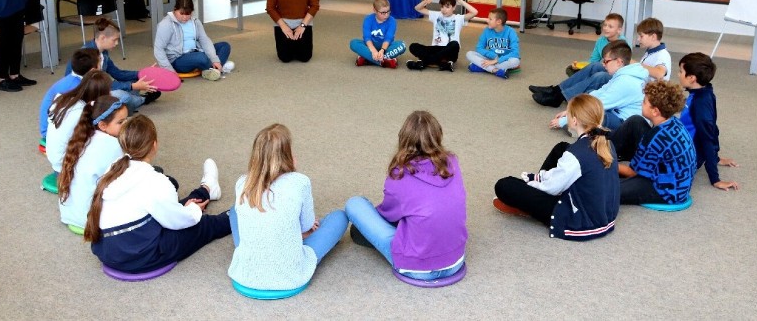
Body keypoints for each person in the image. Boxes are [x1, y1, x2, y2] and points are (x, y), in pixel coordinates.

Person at [84, 115, 228, 273]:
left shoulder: (114, 168)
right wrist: (193, 210)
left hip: (106, 251)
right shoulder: (156, 181)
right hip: (139, 256)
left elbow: (165, 211)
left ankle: (207, 189)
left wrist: (187, 208)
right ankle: (238, 213)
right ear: (154, 144)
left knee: (174, 208)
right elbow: (177, 221)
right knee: (204, 225)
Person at [345, 110, 467, 281]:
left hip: (416, 268)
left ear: (403, 138)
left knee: (355, 204)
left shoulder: (399, 174)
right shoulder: (452, 162)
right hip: (456, 259)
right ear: (438, 135)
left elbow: (388, 214)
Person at [228, 124, 348, 291]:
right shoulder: (300, 182)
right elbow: (308, 226)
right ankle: (286, 236)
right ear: (287, 156)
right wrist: (300, 232)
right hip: (290, 276)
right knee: (339, 217)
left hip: (245, 275)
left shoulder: (242, 182)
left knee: (234, 211)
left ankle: (267, 240)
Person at [493, 94, 619, 240]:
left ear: (574, 120)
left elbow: (552, 188)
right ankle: (535, 196)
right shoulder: (606, 142)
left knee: (504, 185)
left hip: (580, 221)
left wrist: (533, 183)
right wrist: (542, 177)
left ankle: (530, 206)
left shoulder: (576, 155)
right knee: (562, 147)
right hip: (604, 214)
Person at [533, 17, 669, 107]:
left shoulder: (662, 55)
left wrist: (634, 63)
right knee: (596, 65)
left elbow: (660, 73)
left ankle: (560, 96)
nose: (638, 39)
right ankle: (556, 90)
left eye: (641, 36)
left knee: (601, 76)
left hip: (642, 91)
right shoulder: (651, 51)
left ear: (653, 36)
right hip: (636, 83)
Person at [618, 81, 696, 205]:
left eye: (644, 102)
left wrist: (608, 163)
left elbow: (633, 173)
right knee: (636, 121)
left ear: (655, 111)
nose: (641, 103)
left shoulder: (654, 138)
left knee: (608, 187)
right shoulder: (675, 122)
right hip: (676, 180)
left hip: (667, 192)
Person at [57, 95, 126, 229]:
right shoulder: (113, 145)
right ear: (102, 125)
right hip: (93, 220)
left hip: (70, 215)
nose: (125, 125)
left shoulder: (82, 138)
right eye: (120, 122)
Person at [549, 41, 647, 132]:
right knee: (591, 94)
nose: (603, 65)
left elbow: (598, 105)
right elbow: (601, 92)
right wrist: (570, 110)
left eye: (606, 61)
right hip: (618, 112)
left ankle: (577, 126)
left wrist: (566, 119)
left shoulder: (625, 82)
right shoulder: (623, 74)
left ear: (618, 62)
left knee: (593, 112)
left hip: (625, 125)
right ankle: (578, 122)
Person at [65, 18, 159, 112]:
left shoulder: (103, 52)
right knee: (124, 96)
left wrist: (142, 73)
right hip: (87, 95)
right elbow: (102, 86)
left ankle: (129, 101)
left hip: (100, 88)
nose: (117, 43)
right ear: (102, 38)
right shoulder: (87, 57)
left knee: (135, 79)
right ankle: (142, 100)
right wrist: (132, 86)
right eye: (114, 40)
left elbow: (117, 73)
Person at [678, 53, 739, 191]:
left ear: (692, 78)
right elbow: (712, 128)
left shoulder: (701, 104)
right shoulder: (703, 92)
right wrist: (717, 158)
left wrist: (715, 179)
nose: (678, 74)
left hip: (686, 157)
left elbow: (708, 137)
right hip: (684, 145)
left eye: (681, 71)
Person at [46, 70, 113, 174]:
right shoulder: (81, 112)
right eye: (109, 91)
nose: (110, 93)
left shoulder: (64, 99)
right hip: (66, 169)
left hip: (56, 162)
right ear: (100, 94)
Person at [154, 0, 233, 81]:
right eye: (181, 13)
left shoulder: (195, 22)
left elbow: (204, 40)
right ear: (175, 9)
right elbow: (158, 49)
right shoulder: (165, 24)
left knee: (224, 46)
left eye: (188, 14)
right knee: (201, 58)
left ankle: (213, 68)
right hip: (178, 59)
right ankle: (216, 67)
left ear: (192, 12)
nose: (185, 17)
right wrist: (169, 70)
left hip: (196, 51)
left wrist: (215, 59)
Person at [406, 0, 478, 72]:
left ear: (454, 7)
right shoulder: (437, 15)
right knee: (413, 46)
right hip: (435, 48)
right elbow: (417, 8)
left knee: (454, 44)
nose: (444, 9)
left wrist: (460, 1)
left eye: (447, 7)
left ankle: (425, 62)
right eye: (442, 7)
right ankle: (442, 63)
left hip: (449, 51)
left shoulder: (458, 18)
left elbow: (474, 12)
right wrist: (425, 2)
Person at [38, 48, 101, 142]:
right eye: (100, 63)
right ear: (93, 70)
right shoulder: (77, 87)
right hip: (53, 134)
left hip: (52, 128)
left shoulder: (73, 80)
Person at [350, 0, 406, 68]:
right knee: (353, 43)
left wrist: (382, 50)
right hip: (370, 47)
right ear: (375, 10)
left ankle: (368, 58)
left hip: (386, 48)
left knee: (402, 45)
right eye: (383, 13)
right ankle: (384, 61)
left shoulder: (392, 21)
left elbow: (388, 38)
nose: (386, 15)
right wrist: (373, 51)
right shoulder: (368, 19)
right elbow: (367, 38)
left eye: (388, 12)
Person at [466, 8, 520, 79]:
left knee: (515, 61)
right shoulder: (487, 30)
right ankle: (495, 70)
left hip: (504, 60)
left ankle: (482, 68)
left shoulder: (511, 32)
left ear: (498, 21)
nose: (487, 20)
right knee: (469, 54)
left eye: (490, 19)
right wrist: (493, 56)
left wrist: (497, 60)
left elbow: (515, 53)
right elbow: (479, 48)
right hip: (490, 58)